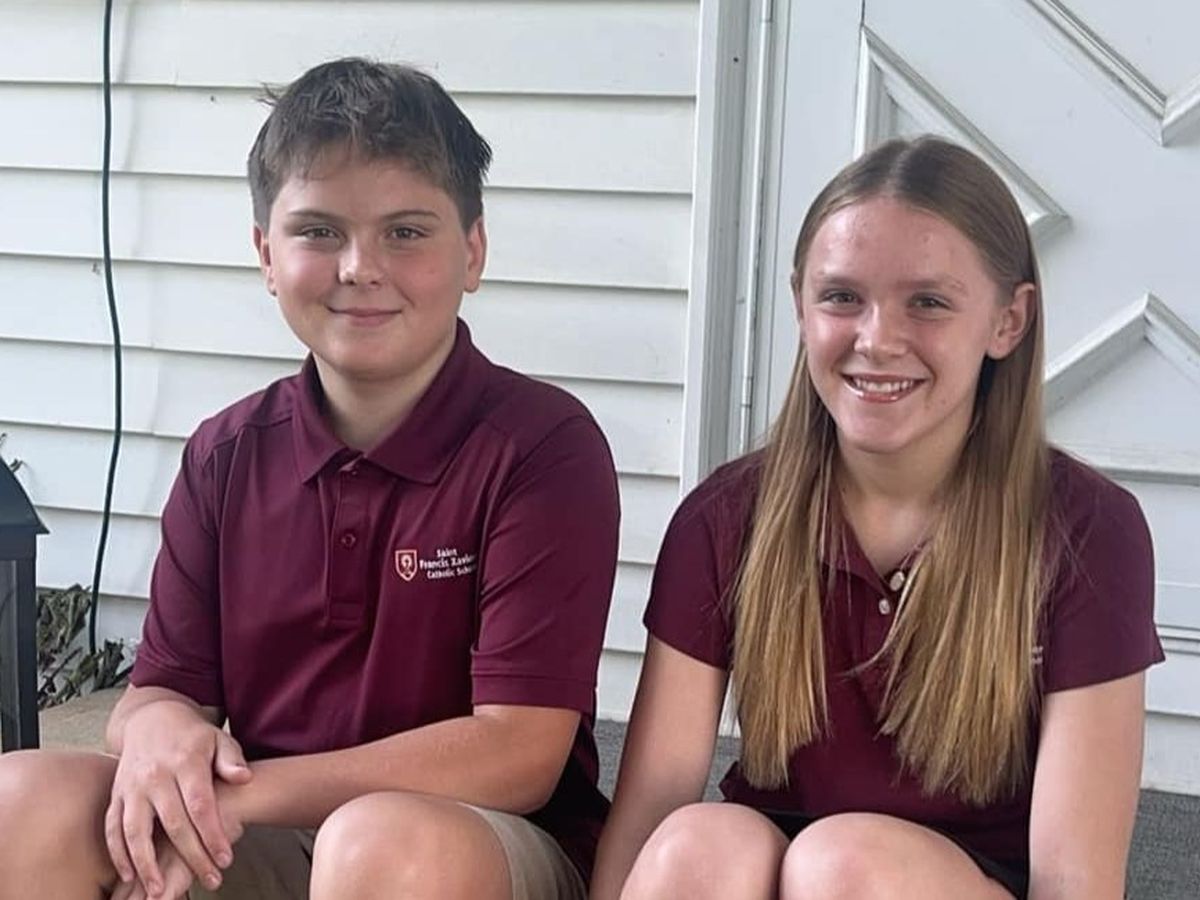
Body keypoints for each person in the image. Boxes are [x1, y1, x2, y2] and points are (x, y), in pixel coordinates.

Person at [0, 57, 619, 900]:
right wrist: (157, 735)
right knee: (22, 803)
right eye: (319, 231)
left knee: (379, 842)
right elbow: (163, 693)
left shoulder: (541, 449)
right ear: (266, 253)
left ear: (472, 252)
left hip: (475, 842)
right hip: (272, 831)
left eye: (406, 232)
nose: (359, 266)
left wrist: (230, 797)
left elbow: (518, 753)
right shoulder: (225, 456)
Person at [590, 135, 1162, 900]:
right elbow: (646, 822)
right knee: (695, 843)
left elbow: (1075, 881)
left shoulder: (1088, 531)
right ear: (801, 305)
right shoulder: (724, 520)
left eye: (927, 302)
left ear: (1008, 321)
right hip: (773, 861)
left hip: (949, 878)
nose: (878, 339)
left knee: (844, 866)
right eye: (841, 297)